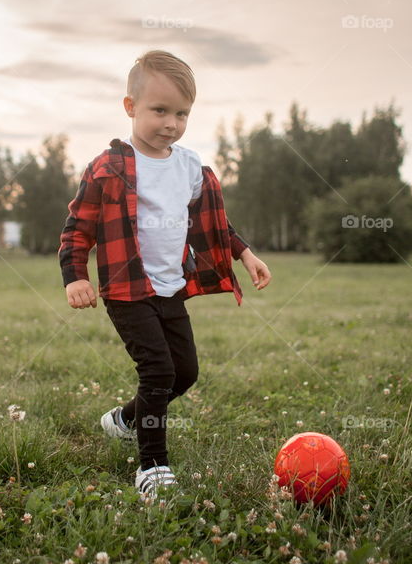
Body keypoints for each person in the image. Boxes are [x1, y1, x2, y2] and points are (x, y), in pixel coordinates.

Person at [58, 49, 271, 501]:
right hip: (126, 289)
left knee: (185, 373)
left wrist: (245, 254)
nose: (171, 123)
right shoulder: (109, 167)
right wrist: (75, 277)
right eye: (159, 110)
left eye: (181, 113)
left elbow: (213, 223)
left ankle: (125, 419)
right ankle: (152, 466)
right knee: (157, 372)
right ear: (130, 107)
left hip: (169, 288)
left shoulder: (189, 168)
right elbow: (78, 227)